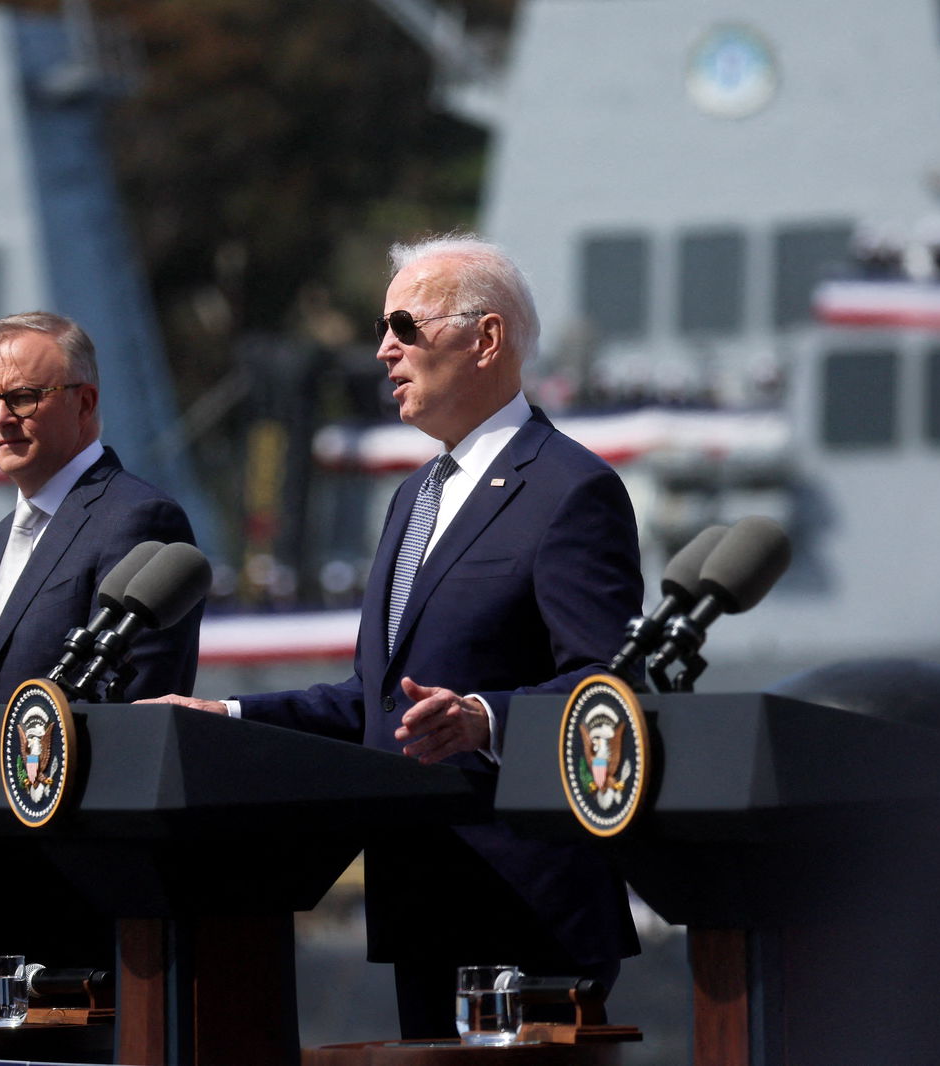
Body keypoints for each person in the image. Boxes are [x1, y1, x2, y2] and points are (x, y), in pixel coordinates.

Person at [149, 234, 643, 1037]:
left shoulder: (571, 490)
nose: (382, 350)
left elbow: (610, 691)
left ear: (485, 340)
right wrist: (229, 719)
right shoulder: (413, 499)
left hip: (531, 915)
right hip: (425, 900)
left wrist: (485, 719)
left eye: (405, 327)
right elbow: (372, 704)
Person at [0, 312, 201, 749]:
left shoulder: (138, 519)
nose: (0, 418)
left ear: (84, 403)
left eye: (23, 397)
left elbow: (127, 717)